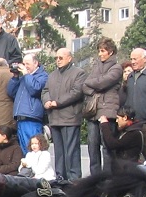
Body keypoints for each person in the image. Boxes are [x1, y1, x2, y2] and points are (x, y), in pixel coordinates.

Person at [42, 48, 86, 180]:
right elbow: (45, 90)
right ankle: (60, 178)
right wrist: (47, 101)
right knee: (58, 152)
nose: (58, 60)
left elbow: (76, 92)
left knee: (71, 152)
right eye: (56, 58)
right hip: (54, 118)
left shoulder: (79, 73)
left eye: (61, 58)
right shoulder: (52, 75)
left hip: (70, 118)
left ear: (69, 58)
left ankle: (74, 180)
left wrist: (57, 102)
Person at [83, 38, 123, 175]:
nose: (100, 54)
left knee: (107, 147)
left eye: (102, 51)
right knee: (92, 147)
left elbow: (103, 82)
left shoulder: (117, 68)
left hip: (108, 111)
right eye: (99, 51)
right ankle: (95, 178)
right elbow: (85, 85)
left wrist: (93, 84)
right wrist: (95, 89)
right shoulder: (96, 67)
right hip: (93, 112)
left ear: (110, 52)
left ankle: (108, 177)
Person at [7, 53, 48, 155]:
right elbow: (11, 92)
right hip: (20, 118)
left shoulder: (43, 76)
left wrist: (26, 74)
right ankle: (27, 170)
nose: (25, 66)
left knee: (34, 149)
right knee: (24, 151)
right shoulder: (24, 78)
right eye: (23, 63)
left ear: (36, 63)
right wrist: (15, 77)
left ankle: (36, 171)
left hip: (32, 118)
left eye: (27, 63)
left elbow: (35, 89)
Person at [98, 107, 144, 171]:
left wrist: (104, 124)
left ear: (125, 118)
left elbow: (112, 144)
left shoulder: (133, 133)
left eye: (118, 118)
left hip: (127, 171)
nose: (116, 121)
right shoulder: (128, 130)